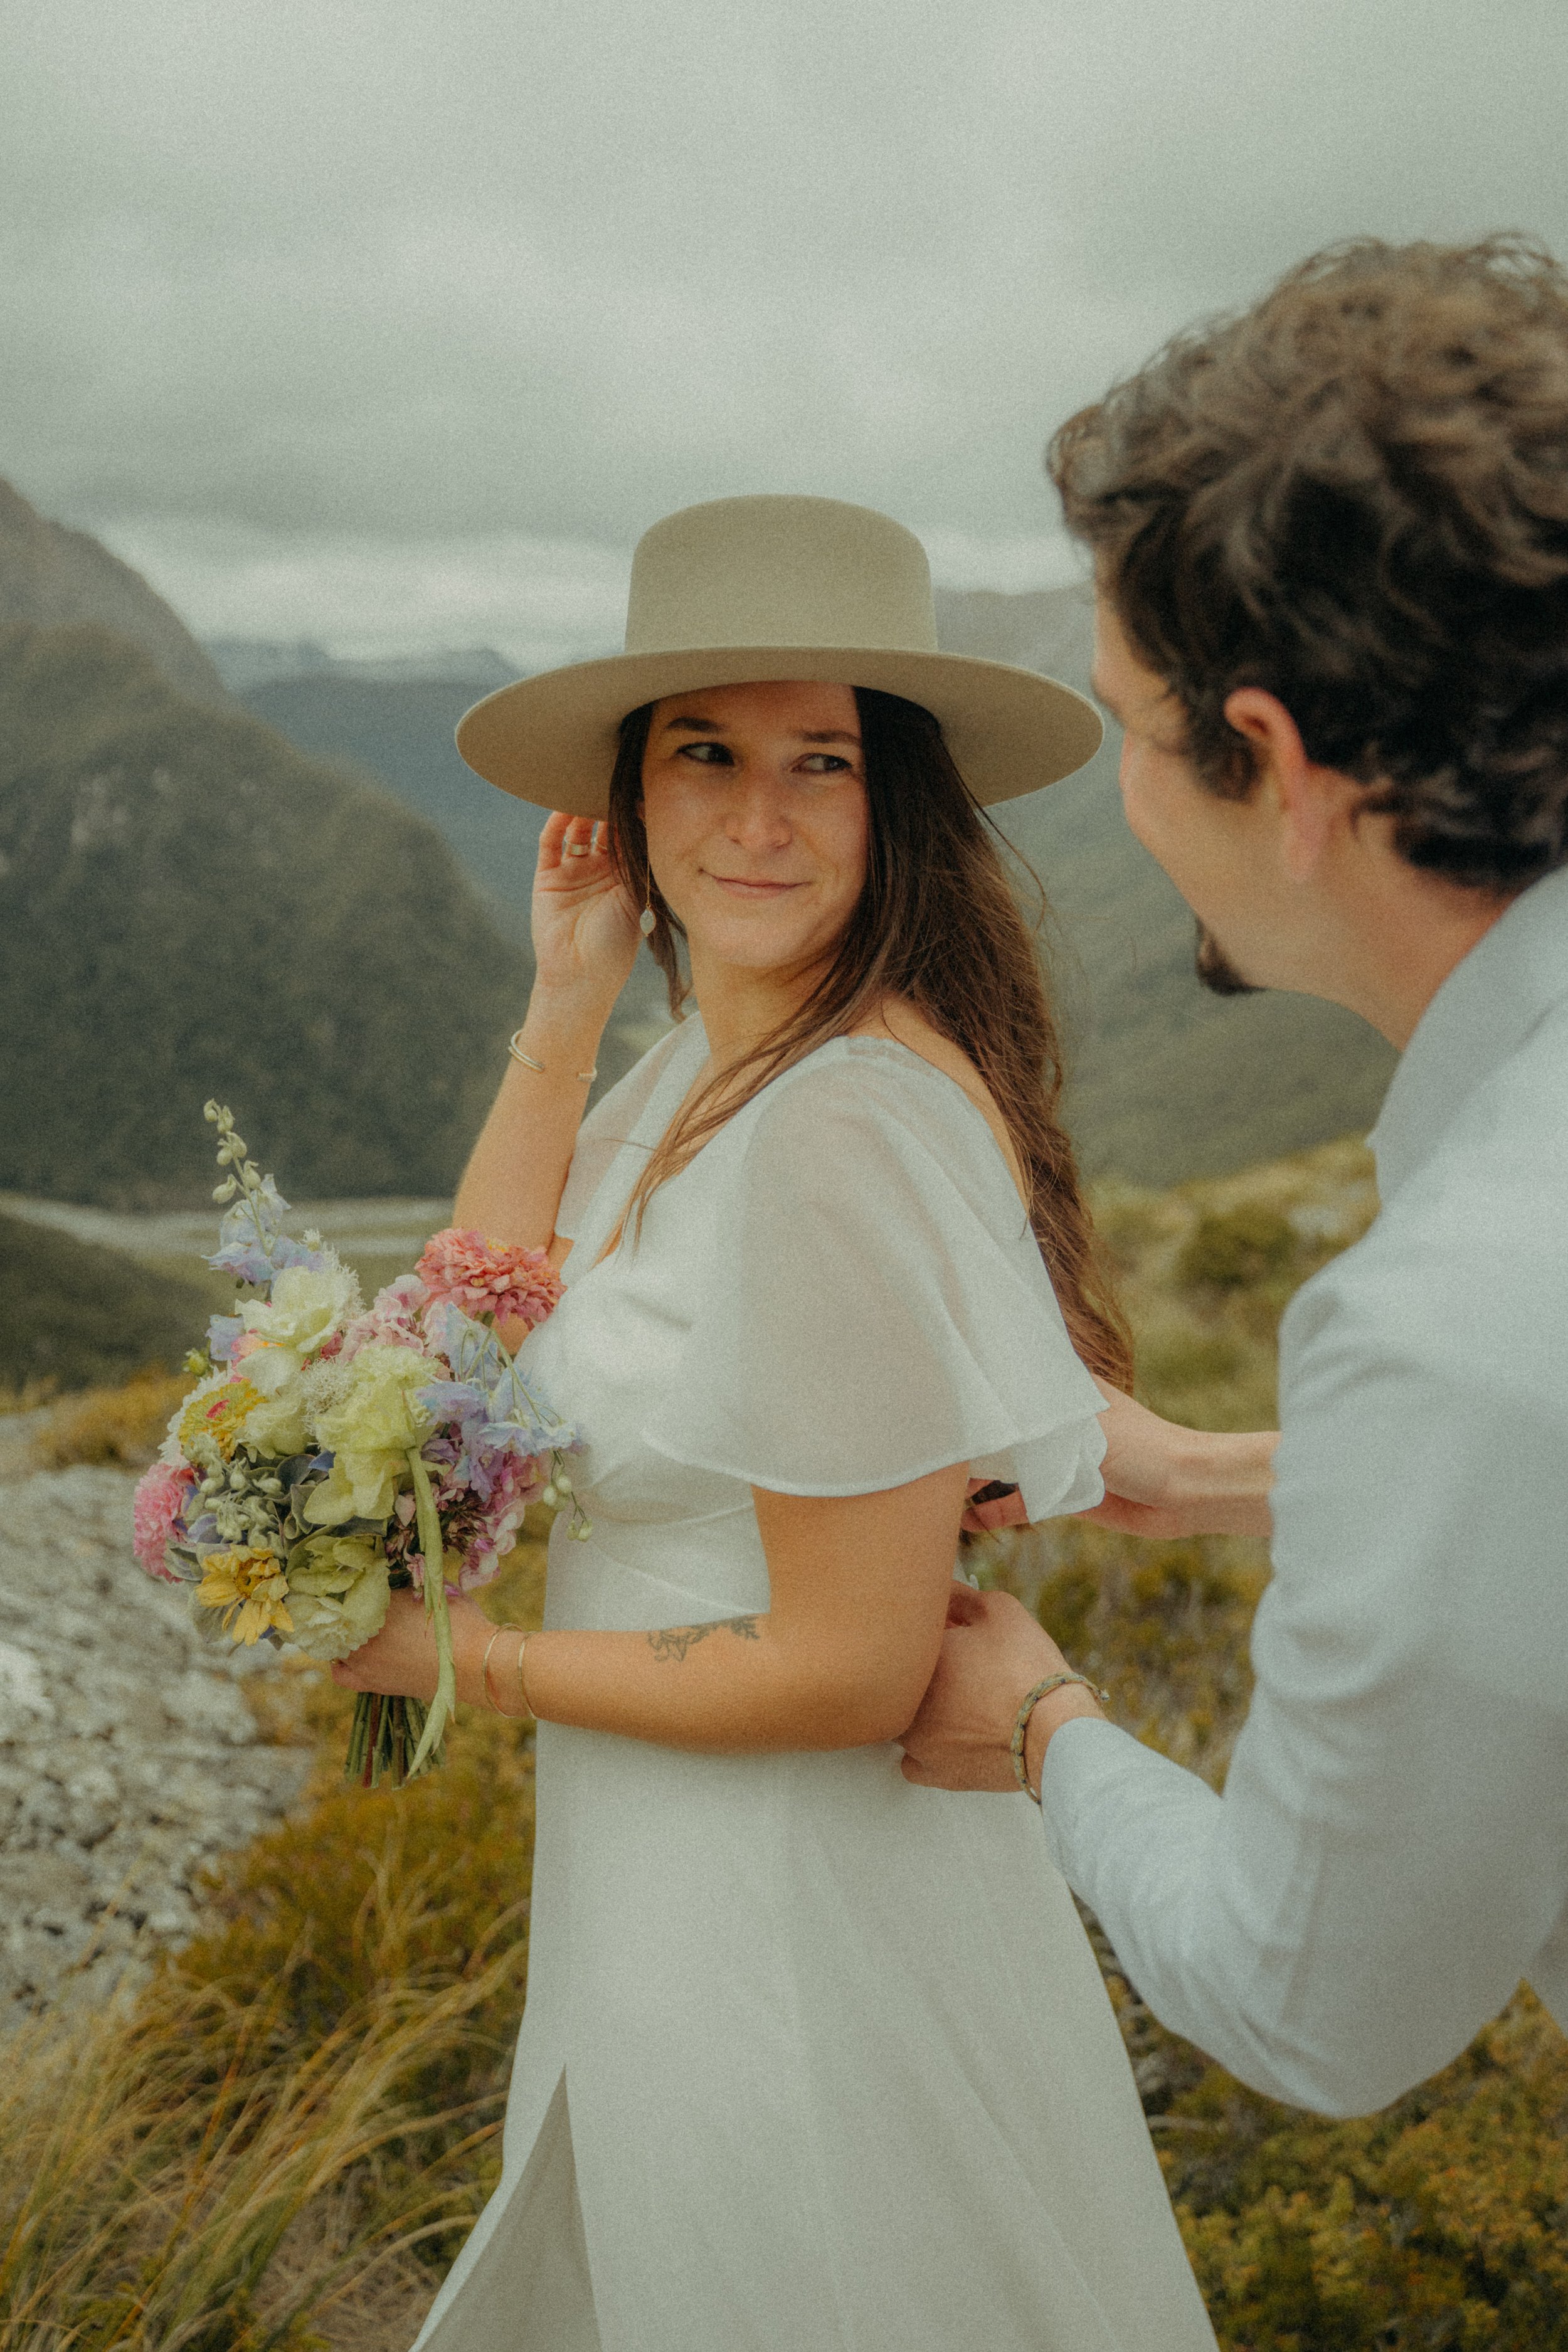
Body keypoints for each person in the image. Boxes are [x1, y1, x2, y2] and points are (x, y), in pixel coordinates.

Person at [334, 494, 1220, 2350]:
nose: (757, 816)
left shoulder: (825, 1127)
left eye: (819, 762)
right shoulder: (715, 1066)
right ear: (630, 802)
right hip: (680, 1844)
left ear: (890, 798)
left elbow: (843, 1667)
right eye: (705, 755)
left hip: (784, 1877)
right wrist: (567, 1000)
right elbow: (485, 1319)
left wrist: (458, 1658)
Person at [901, 238, 1568, 2120]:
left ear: (1267, 759)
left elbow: (1310, 2007)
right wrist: (1220, 1480)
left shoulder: (1458, 1324)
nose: (1120, 782)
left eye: (1124, 721)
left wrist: (1040, 1727)